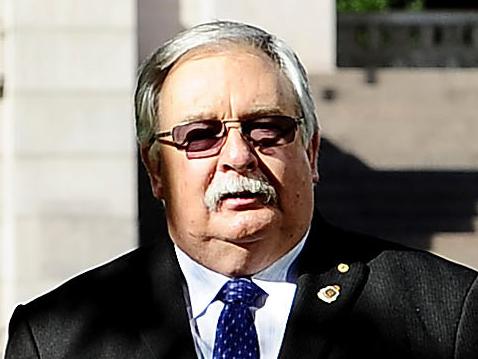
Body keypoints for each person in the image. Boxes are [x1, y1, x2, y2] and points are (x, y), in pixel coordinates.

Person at [5, 21, 478, 359]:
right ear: (155, 171)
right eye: (200, 135)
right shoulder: (55, 338)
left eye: (266, 128)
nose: (237, 155)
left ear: (311, 154)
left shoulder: (448, 313)